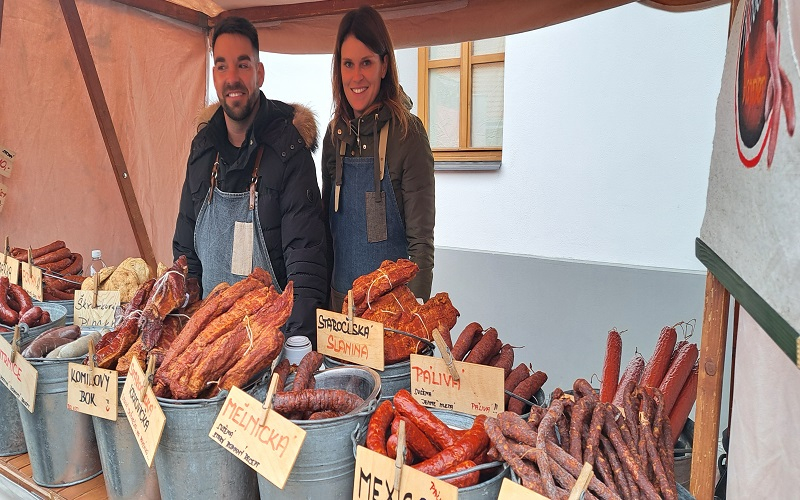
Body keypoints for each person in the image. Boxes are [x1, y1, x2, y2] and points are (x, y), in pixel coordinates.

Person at [173, 16, 327, 344]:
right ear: (214, 74)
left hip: (272, 344)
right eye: (222, 66)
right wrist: (184, 337)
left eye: (243, 65)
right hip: (212, 345)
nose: (232, 78)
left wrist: (297, 348)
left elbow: (306, 262)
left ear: (259, 73)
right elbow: (186, 256)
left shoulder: (288, 152)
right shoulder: (201, 153)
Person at [322, 6, 435, 312]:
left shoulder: (407, 135)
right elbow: (327, 236)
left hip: (392, 312)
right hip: (341, 311)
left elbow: (421, 245)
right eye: (348, 64)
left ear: (384, 65)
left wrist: (411, 317)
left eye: (366, 63)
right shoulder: (334, 137)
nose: (356, 76)